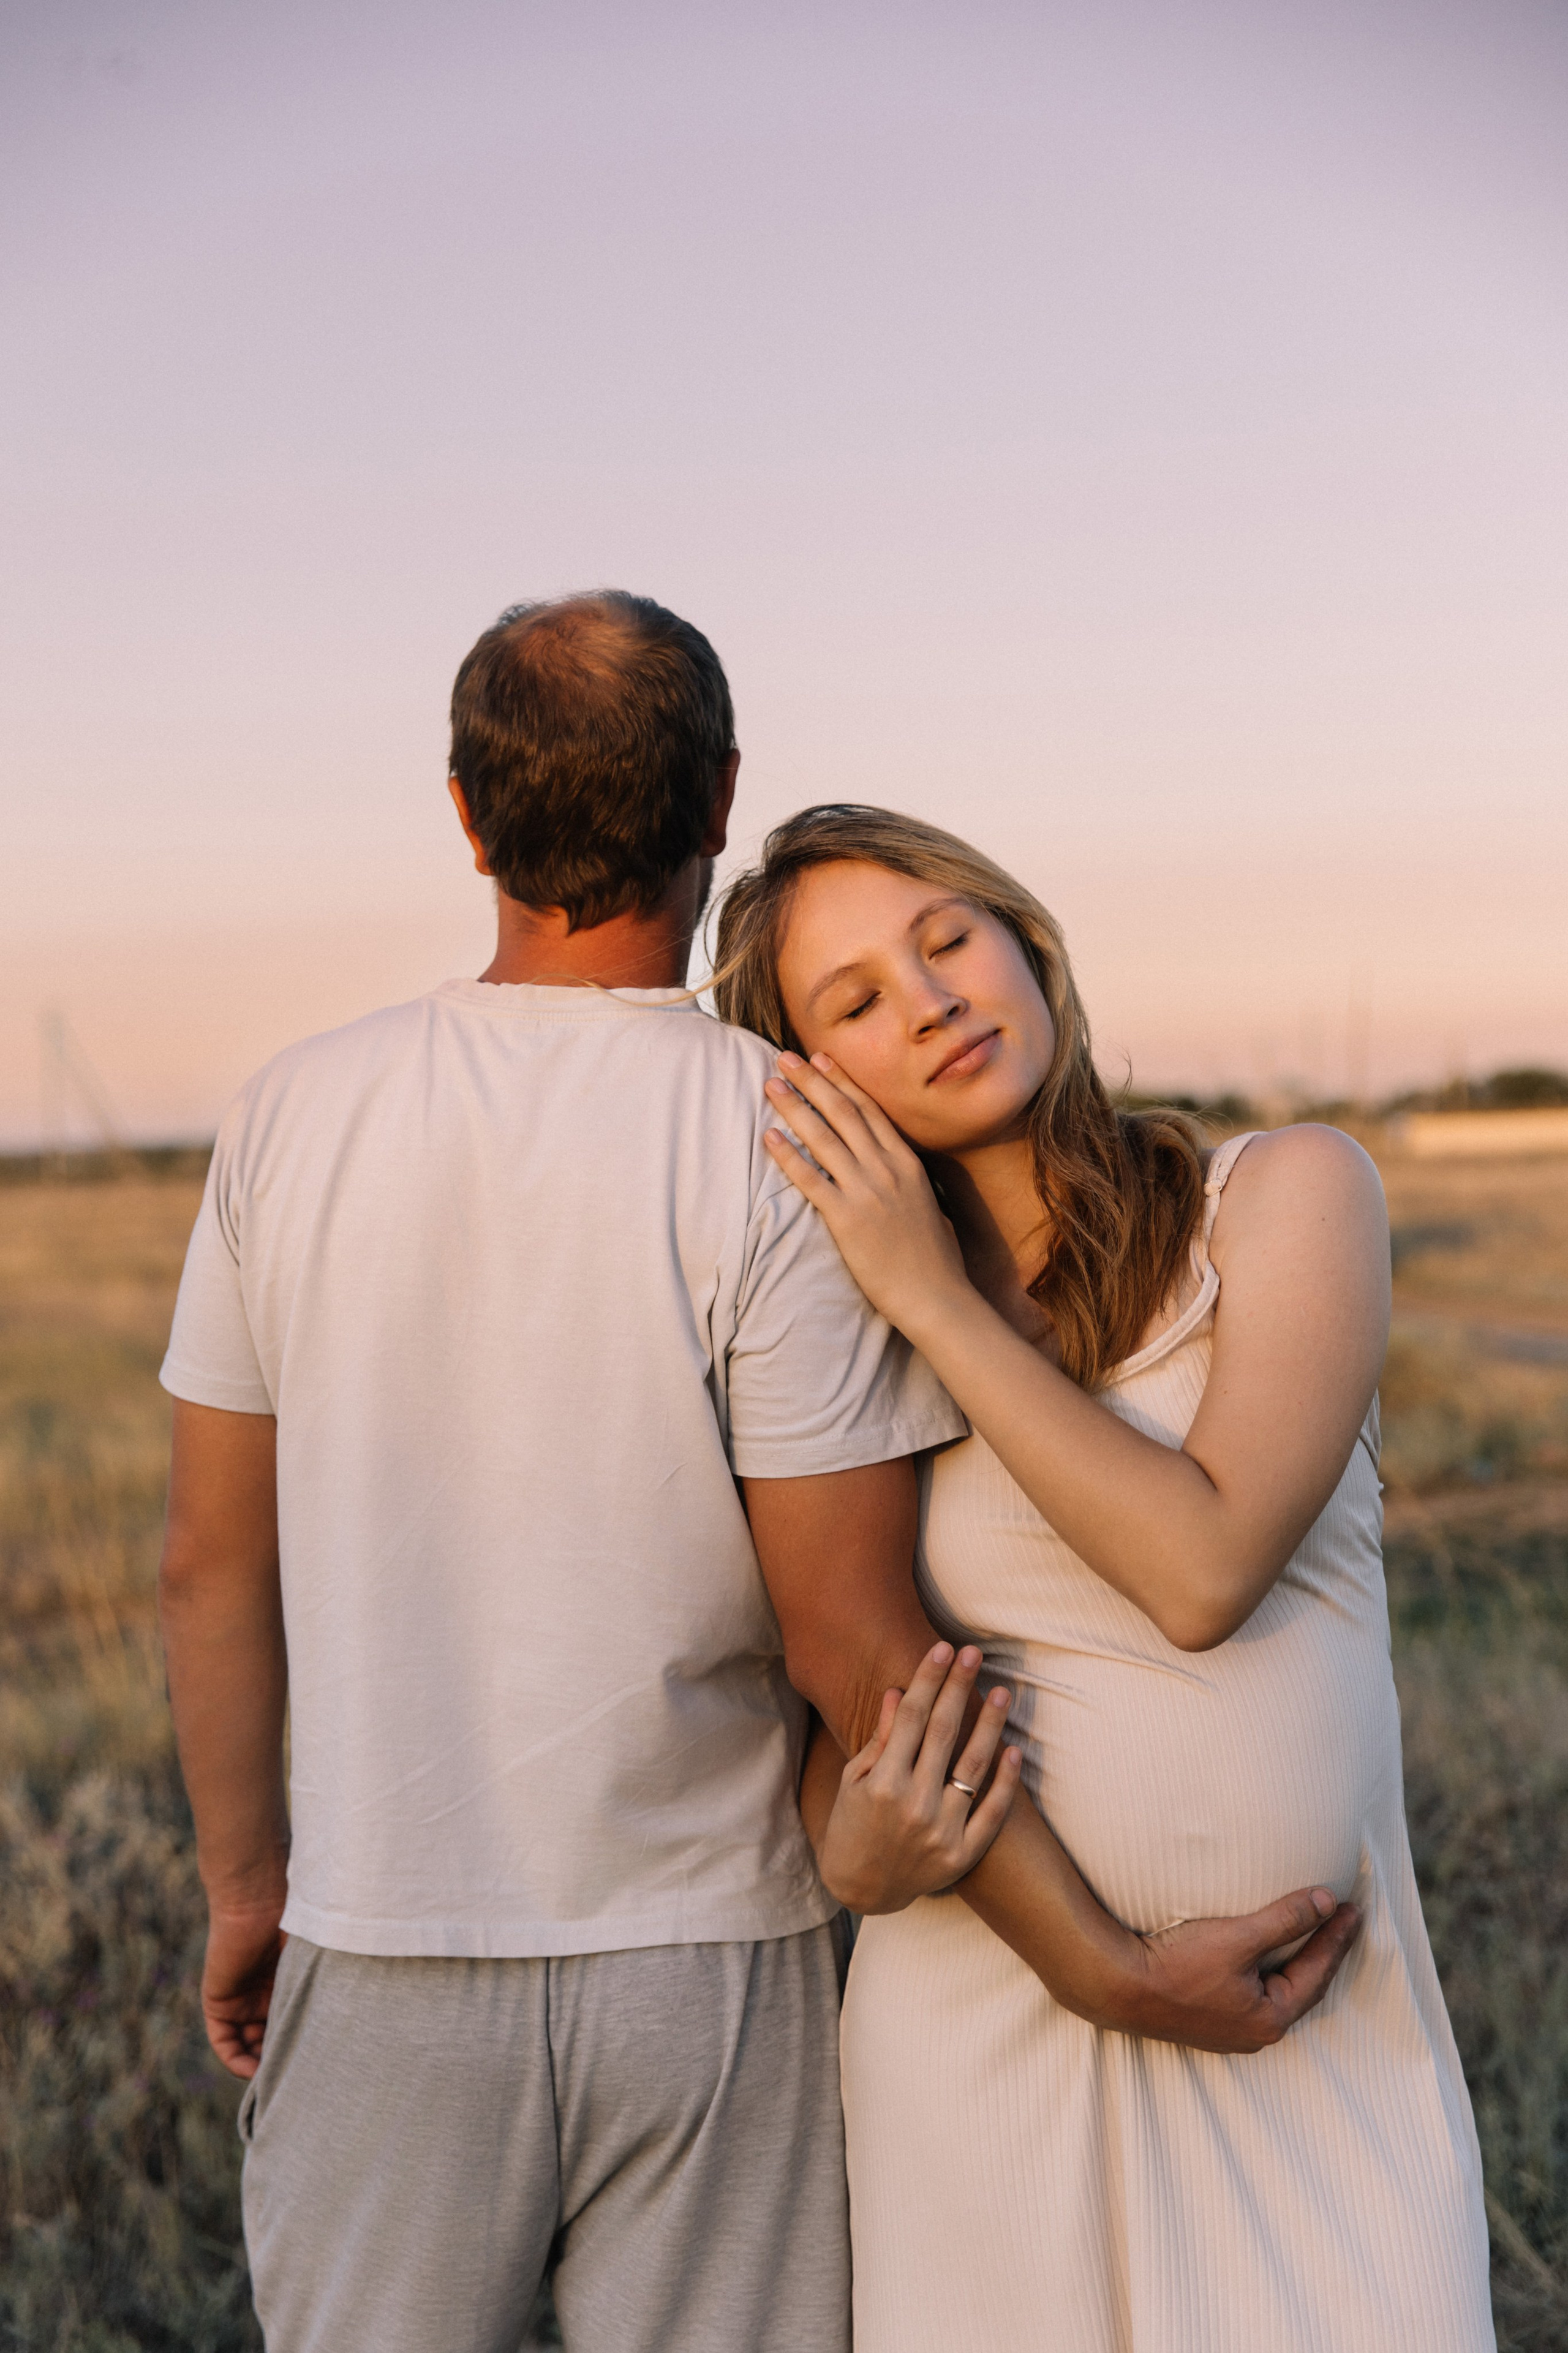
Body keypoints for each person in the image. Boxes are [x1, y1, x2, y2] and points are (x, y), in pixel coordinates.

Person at [159, 599, 1359, 2353]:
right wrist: (1092, 1957)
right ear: (721, 795)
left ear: (466, 817)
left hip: (382, 1946)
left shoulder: (288, 1112)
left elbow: (208, 1563)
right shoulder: (776, 1128)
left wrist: (248, 1890)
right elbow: (854, 1642)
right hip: (711, 1965)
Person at [712, 802, 1494, 2353]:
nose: (928, 1000)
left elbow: (1200, 1570)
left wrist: (935, 1301)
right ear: (805, 1081)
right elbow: (837, 1696)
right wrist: (851, 1845)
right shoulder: (831, 1337)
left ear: (1025, 942)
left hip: (1306, 2036)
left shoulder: (1281, 1196)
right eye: (854, 1000)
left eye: (946, 938)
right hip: (981, 2047)